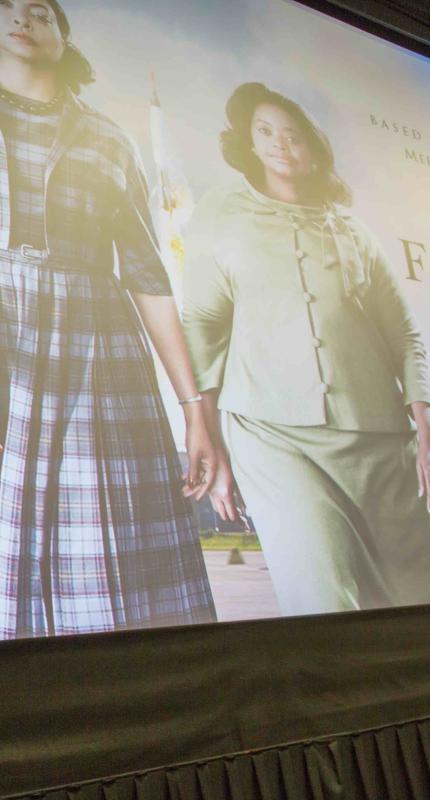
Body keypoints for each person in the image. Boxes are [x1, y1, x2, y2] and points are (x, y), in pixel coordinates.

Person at [182, 83, 430, 616]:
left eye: (293, 135)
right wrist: (210, 441)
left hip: (382, 443)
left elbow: (405, 335)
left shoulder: (354, 230)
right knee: (323, 598)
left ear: (314, 146)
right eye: (265, 132)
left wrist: (429, 438)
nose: (280, 145)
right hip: (274, 439)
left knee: (425, 604)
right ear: (249, 143)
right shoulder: (221, 214)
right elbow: (203, 327)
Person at [0, 0, 217, 637]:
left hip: (97, 340)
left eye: (40, 10)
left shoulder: (108, 138)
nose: (21, 17)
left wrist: (193, 405)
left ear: (64, 39)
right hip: (6, 335)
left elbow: (147, 275)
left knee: (106, 530)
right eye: (7, 6)